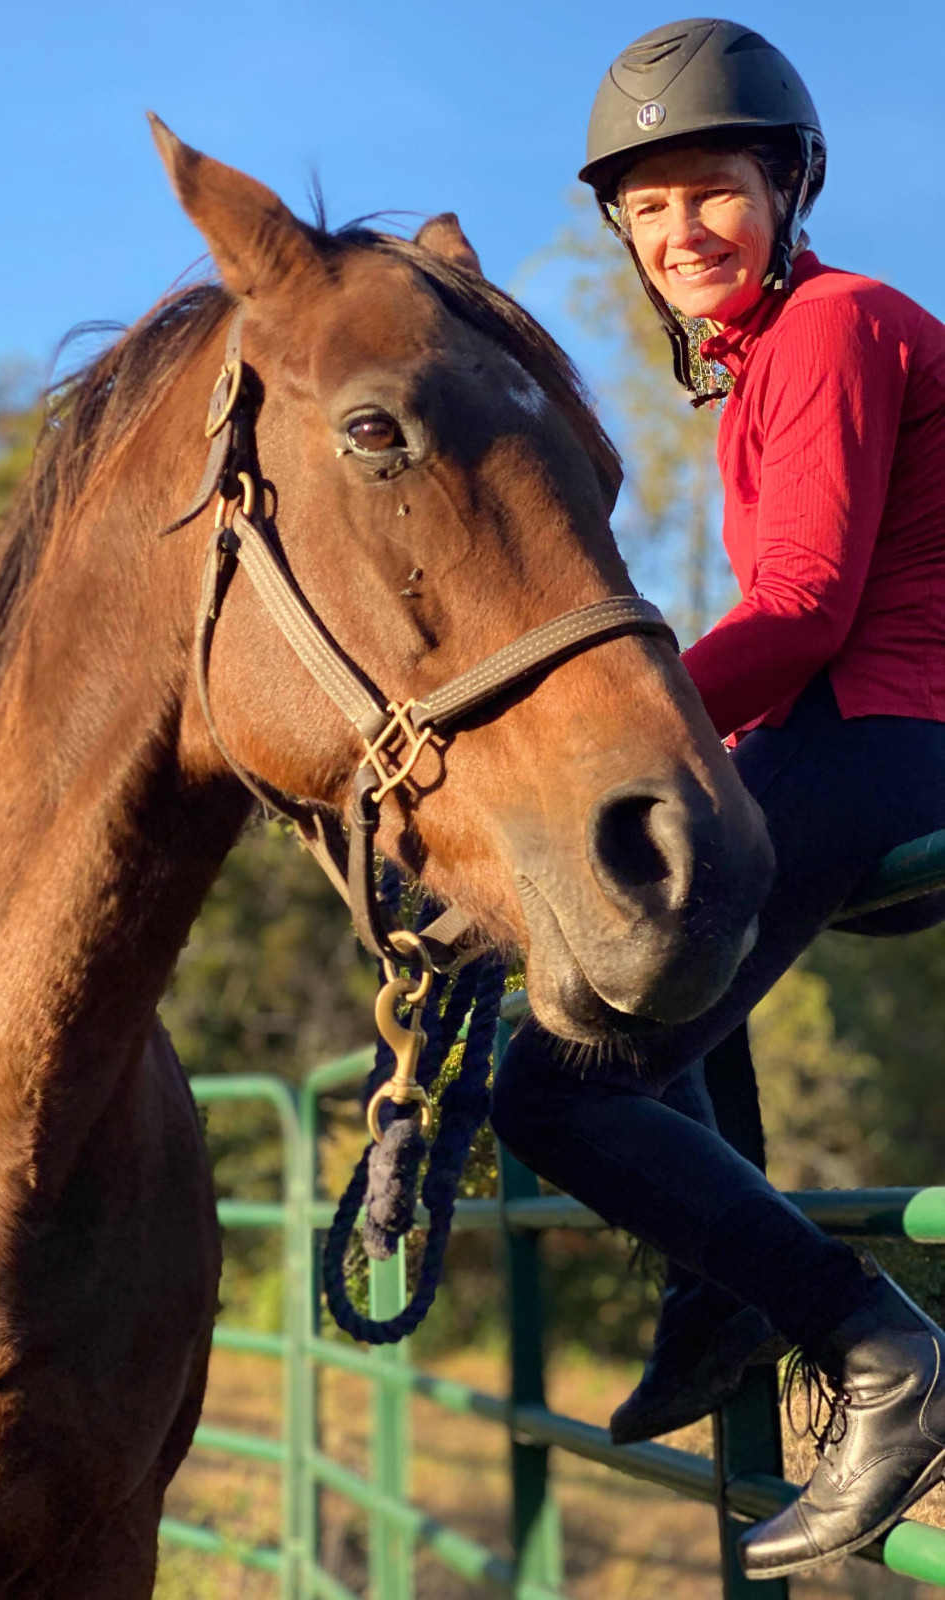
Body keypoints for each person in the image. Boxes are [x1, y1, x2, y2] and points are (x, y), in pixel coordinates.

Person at [489, 16, 945, 1580]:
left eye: (713, 192)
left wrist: (628, 730)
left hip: (896, 723)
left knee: (550, 1083)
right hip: (852, 721)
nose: (680, 231)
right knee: (646, 924)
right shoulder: (770, 360)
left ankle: (873, 1348)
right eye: (647, 207)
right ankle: (726, 1292)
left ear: (789, 186)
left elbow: (811, 605)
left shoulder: (830, 332)